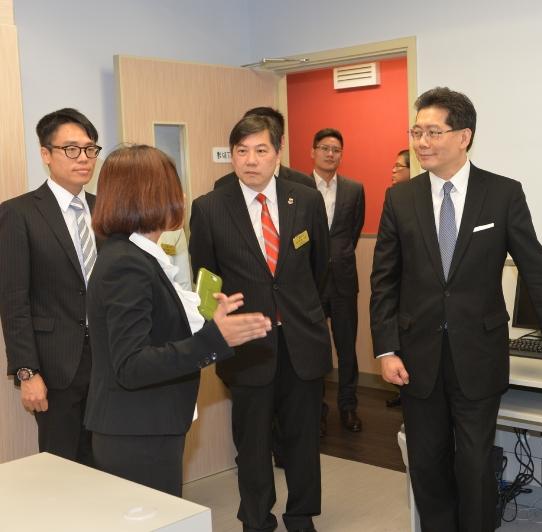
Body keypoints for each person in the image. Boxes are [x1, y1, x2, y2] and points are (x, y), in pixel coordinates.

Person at [370, 87, 542, 532]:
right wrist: (385, 348)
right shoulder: (400, 199)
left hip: (479, 354)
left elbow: (535, 268)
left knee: (474, 465)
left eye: (434, 131)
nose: (422, 142)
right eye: (417, 131)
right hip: (416, 357)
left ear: (464, 136)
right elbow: (384, 282)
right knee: (428, 467)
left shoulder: (503, 194)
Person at [84, 145, 270, 496]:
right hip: (136, 432)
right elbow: (132, 364)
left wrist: (208, 322)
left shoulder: (136, 254)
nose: (181, 196)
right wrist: (216, 340)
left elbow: (157, 329)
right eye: (172, 186)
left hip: (145, 426)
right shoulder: (127, 263)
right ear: (148, 195)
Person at [190, 114, 331, 532]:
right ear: (232, 155)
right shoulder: (210, 207)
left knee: (303, 439)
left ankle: (302, 514)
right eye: (241, 151)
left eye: (261, 150)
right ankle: (256, 516)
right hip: (247, 343)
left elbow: (320, 268)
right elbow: (205, 282)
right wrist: (218, 324)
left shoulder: (304, 199)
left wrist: (300, 312)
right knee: (251, 442)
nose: (251, 160)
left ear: (278, 152)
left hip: (302, 339)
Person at [0, 108, 102, 464]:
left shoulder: (104, 209)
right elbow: (14, 301)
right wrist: (27, 372)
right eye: (71, 149)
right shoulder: (19, 213)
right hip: (56, 365)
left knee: (106, 463)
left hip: (107, 361)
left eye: (90, 149)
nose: (84, 159)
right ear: (46, 154)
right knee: (61, 468)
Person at [312, 128, 366, 433]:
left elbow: (353, 231)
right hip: (311, 282)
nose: (330, 154)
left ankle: (349, 407)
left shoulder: (355, 189)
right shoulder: (297, 186)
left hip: (344, 281)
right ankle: (317, 410)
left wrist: (338, 255)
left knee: (347, 349)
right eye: (325, 148)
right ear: (313, 152)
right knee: (316, 350)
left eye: (336, 150)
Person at [214, 107, 314, 191]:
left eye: (260, 150)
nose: (251, 161)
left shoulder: (305, 185)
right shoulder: (223, 185)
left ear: (281, 142)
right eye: (243, 150)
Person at [385, 148, 412, 409]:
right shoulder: (395, 199)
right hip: (408, 312)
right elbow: (384, 274)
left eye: (399, 166)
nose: (393, 171)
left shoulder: (501, 191)